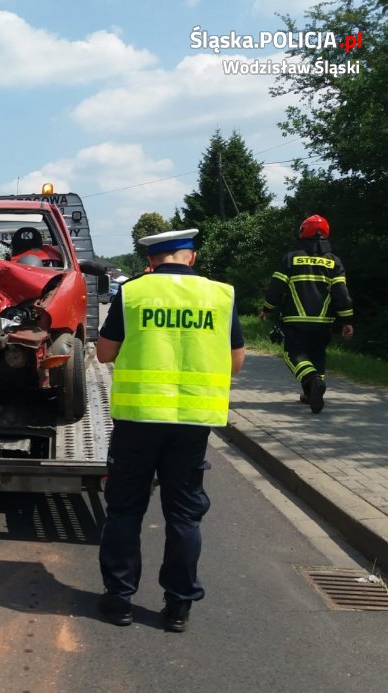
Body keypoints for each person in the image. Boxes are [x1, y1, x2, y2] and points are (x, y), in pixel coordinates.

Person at [95, 229, 245, 632]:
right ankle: (178, 606)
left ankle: (120, 600)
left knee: (126, 509)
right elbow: (235, 363)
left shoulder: (134, 293)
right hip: (193, 424)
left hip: (139, 419)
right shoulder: (221, 295)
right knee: (184, 516)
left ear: (152, 260)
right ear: (191, 258)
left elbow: (104, 352)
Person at [258, 215, 354, 414]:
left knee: (293, 355)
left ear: (303, 232)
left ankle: (312, 381)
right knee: (317, 357)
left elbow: (276, 289)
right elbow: (341, 295)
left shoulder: (291, 259)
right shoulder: (334, 262)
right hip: (323, 322)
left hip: (296, 321)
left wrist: (266, 309)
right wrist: (347, 321)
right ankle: (311, 393)